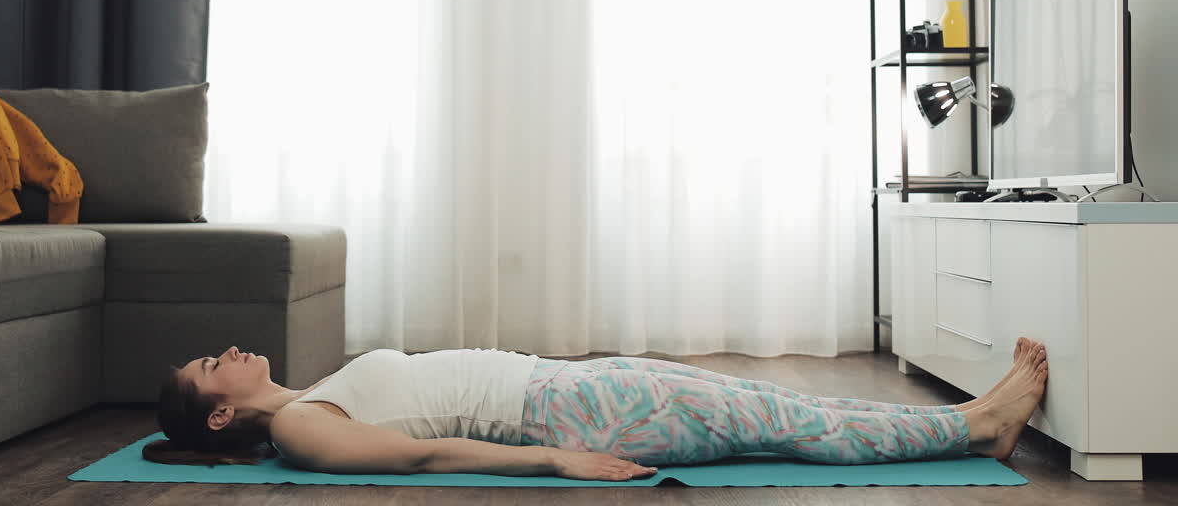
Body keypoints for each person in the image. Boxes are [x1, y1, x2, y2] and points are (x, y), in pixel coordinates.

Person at [145, 337, 1048, 481]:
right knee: (793, 426)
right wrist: (553, 460)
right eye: (208, 367)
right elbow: (427, 455)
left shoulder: (310, 395)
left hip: (576, 383)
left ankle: (969, 413)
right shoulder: (303, 429)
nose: (223, 351)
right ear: (219, 415)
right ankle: (975, 427)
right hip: (577, 416)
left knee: (778, 400)